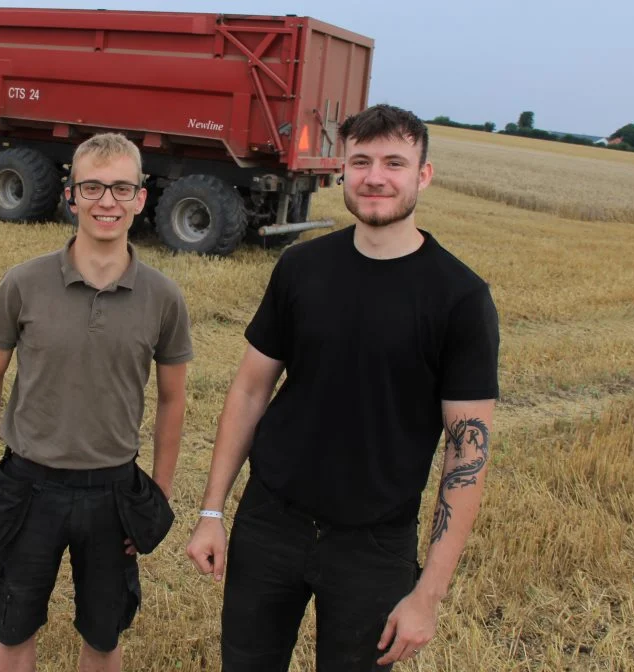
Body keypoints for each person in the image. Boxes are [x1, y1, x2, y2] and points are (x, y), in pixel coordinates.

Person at [185, 104, 500, 670]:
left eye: (394, 163)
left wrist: (428, 594)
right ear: (343, 172)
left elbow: (467, 451)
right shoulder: (301, 268)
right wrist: (213, 512)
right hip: (270, 522)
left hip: (375, 546)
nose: (375, 176)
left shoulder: (460, 297)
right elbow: (250, 391)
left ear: (422, 175)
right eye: (361, 161)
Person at [0, 133, 192, 672]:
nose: (106, 202)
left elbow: (173, 400)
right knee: (14, 632)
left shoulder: (163, 297)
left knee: (104, 639)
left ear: (142, 197)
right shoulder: (23, 283)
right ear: (71, 196)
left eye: (121, 188)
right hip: (28, 487)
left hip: (112, 491)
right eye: (92, 187)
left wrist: (157, 495)